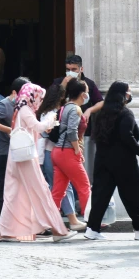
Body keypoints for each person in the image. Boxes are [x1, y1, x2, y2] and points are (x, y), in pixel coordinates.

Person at [0, 82, 75, 243]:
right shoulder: (25, 110)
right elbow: (37, 127)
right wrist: (51, 119)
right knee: (41, 190)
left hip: (18, 155)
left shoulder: (21, 109)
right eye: (39, 97)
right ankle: (57, 229)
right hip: (26, 157)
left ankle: (5, 231)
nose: (40, 101)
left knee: (14, 192)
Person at [86, 80, 139, 241]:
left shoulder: (101, 113)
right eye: (129, 91)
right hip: (124, 161)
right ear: (123, 94)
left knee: (101, 194)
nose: (130, 94)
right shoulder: (125, 113)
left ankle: (92, 228)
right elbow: (127, 135)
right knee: (132, 195)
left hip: (102, 159)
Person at [0, 76, 30, 236]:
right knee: (3, 187)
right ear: (15, 92)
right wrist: (9, 130)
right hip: (3, 152)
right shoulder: (5, 104)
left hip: (17, 151)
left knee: (16, 188)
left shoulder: (22, 105)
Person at [36, 83, 85, 231]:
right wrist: (77, 149)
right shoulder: (56, 112)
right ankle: (71, 219)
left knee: (58, 188)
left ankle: (53, 221)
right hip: (54, 150)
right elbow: (67, 132)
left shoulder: (44, 111)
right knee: (66, 187)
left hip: (48, 151)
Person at [53, 54, 104, 177]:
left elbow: (101, 102)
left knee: (83, 167)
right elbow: (52, 101)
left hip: (84, 130)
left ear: (81, 69)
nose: (71, 72)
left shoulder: (89, 84)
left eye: (74, 69)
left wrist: (89, 111)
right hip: (62, 132)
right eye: (68, 69)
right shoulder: (59, 82)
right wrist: (63, 86)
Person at [51, 79, 91, 220]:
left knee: (58, 191)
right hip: (67, 152)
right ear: (82, 94)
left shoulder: (64, 107)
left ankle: (52, 221)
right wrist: (77, 150)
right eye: (86, 91)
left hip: (58, 152)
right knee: (84, 187)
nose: (88, 94)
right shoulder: (75, 109)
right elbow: (72, 131)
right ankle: (92, 220)